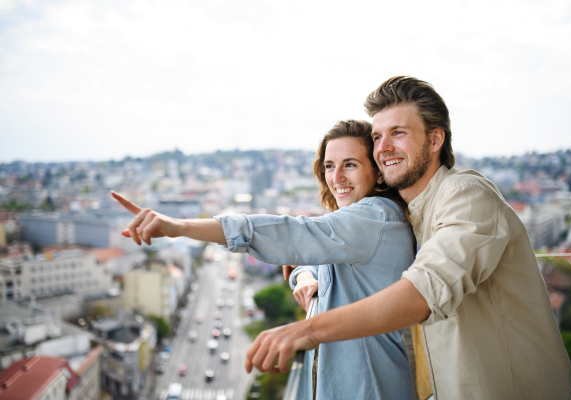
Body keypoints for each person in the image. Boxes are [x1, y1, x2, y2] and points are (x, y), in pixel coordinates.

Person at [244, 76, 571, 400]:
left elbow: (423, 292)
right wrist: (308, 267)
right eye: (377, 136)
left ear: (435, 140)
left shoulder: (467, 195)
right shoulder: (410, 214)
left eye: (398, 133)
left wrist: (305, 330)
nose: (383, 147)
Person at [111, 120, 417, 400]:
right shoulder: (356, 223)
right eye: (329, 166)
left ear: (377, 171)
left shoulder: (375, 216)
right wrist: (306, 275)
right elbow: (317, 257)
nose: (336, 178)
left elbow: (293, 233)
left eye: (350, 164)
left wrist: (178, 227)